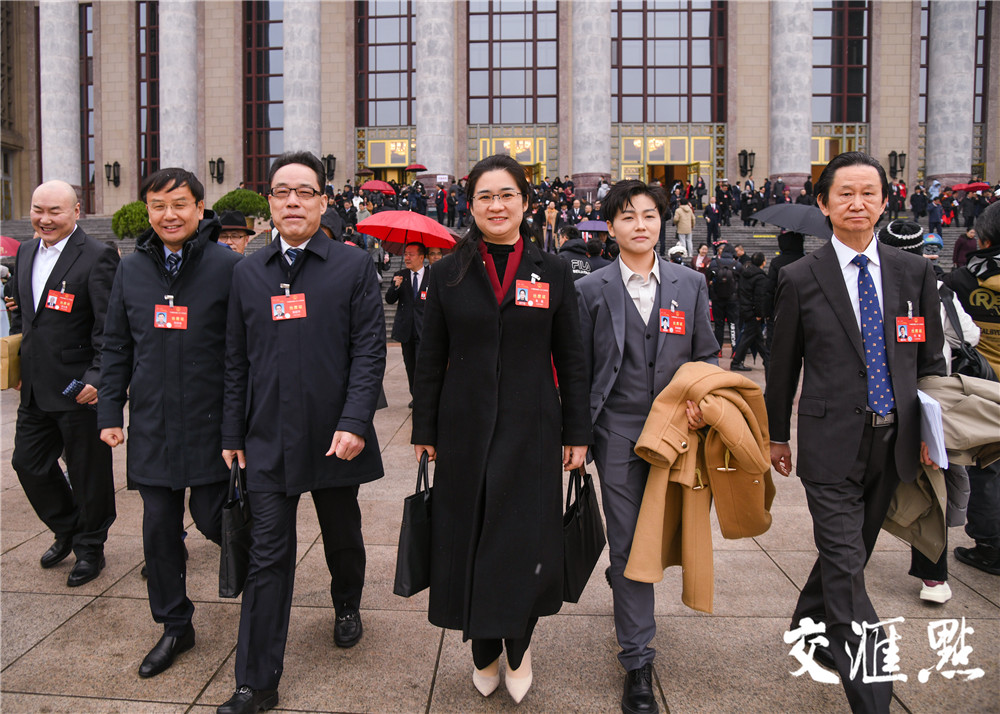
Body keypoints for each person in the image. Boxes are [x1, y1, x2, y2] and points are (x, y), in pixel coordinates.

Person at [767, 152, 945, 714]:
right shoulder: (799, 276)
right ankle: (874, 697)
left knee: (850, 554)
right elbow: (781, 366)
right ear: (823, 204)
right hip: (829, 445)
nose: (857, 202)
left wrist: (932, 435)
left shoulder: (913, 272)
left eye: (869, 192)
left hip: (894, 444)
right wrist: (776, 436)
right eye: (845, 193)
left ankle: (805, 625)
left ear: (885, 201)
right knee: (847, 573)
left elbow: (930, 359)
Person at [411, 154, 591, 704]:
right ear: (470, 205)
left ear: (526, 203)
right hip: (463, 430)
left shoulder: (553, 270)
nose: (496, 205)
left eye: (507, 194)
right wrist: (425, 427)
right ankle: (484, 647)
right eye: (485, 196)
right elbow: (429, 356)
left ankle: (518, 643)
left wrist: (577, 434)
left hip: (533, 426)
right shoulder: (447, 272)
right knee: (470, 536)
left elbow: (573, 356)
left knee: (522, 540)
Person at [220, 151, 386, 714]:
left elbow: (369, 351)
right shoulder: (247, 271)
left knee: (342, 534)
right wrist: (231, 433)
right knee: (268, 557)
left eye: (305, 191)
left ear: (323, 200)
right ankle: (255, 682)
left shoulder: (352, 265)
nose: (293, 201)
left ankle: (347, 602)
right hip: (266, 437)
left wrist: (355, 421)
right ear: (269, 201)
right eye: (282, 191)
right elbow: (235, 360)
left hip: (334, 435)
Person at [575, 179, 719, 714]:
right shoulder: (592, 289)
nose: (641, 224)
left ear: (663, 222)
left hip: (677, 434)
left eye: (650, 216)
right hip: (615, 434)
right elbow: (581, 369)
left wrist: (703, 401)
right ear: (610, 227)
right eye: (628, 216)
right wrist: (577, 436)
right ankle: (638, 659)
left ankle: (627, 602)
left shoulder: (689, 283)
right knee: (629, 543)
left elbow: (705, 354)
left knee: (670, 539)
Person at [98, 167, 242, 678]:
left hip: (211, 423)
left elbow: (243, 350)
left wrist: (240, 425)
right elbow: (116, 344)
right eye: (158, 205)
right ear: (147, 211)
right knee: (159, 531)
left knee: (212, 518)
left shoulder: (228, 266)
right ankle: (175, 624)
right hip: (155, 424)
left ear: (200, 209)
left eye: (180, 204)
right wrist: (110, 411)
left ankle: (263, 591)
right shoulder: (131, 269)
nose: (169, 215)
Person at [8, 180, 119, 587]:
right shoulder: (24, 252)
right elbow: (23, 314)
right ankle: (68, 528)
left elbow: (109, 327)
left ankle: (91, 547)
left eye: (55, 211)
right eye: (38, 209)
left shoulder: (97, 256)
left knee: (89, 473)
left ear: (76, 212)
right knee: (28, 463)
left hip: (79, 388)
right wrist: (17, 362)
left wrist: (98, 376)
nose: (45, 219)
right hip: (35, 387)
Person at [878, 218, 982, 603]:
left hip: (889, 402)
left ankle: (852, 554)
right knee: (930, 487)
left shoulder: (873, 287)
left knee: (871, 480)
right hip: (929, 401)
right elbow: (969, 335)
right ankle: (933, 578)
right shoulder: (940, 292)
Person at [942, 200, 1000, 576]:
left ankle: (991, 545)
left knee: (988, 465)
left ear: (982, 236)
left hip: (983, 385)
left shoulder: (963, 280)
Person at [384, 241, 428, 406]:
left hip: (424, 329)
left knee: (422, 365)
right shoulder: (400, 274)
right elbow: (389, 299)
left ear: (421, 257)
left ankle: (423, 396)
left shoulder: (432, 275)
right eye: (406, 254)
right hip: (406, 329)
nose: (407, 257)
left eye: (411, 254)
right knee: (410, 365)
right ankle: (415, 396)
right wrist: (396, 286)